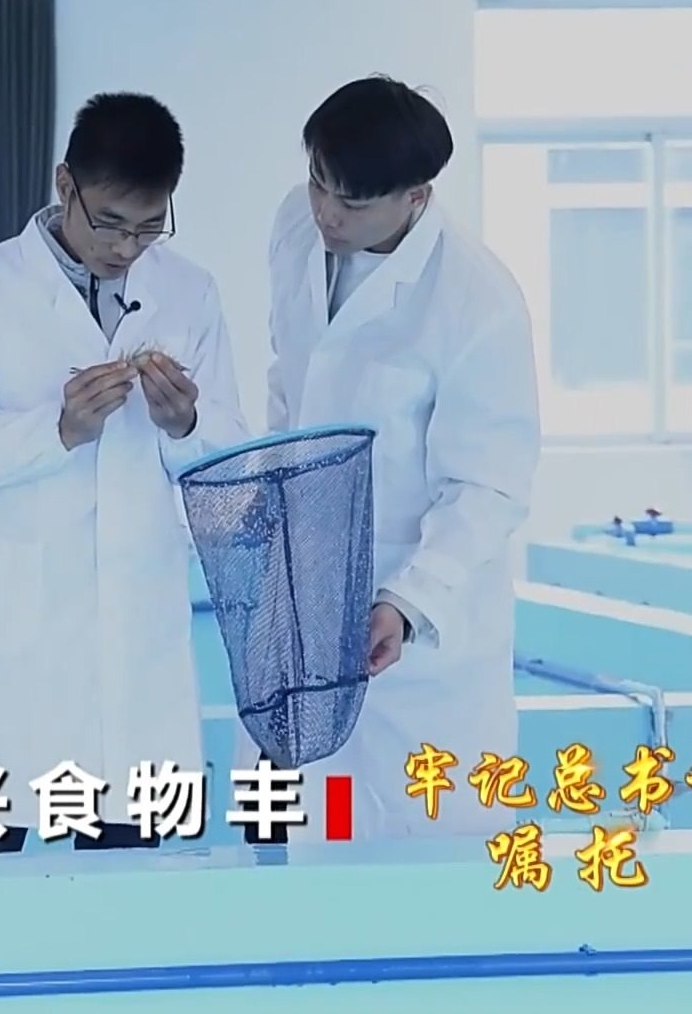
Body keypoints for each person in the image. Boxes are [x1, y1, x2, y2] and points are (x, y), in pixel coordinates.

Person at [0, 93, 251, 855]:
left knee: (126, 886)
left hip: (136, 640)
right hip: (10, 641)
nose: (127, 247)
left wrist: (185, 424)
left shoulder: (190, 292)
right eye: (110, 222)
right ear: (65, 184)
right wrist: (56, 431)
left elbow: (229, 457)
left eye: (149, 227)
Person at [250, 75, 541, 843]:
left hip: (416, 635)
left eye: (350, 203)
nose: (326, 212)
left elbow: (488, 487)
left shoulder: (477, 301)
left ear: (416, 196)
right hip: (304, 603)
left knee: (423, 852)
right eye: (317, 183)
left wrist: (408, 601)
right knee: (310, 835)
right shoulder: (295, 227)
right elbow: (290, 375)